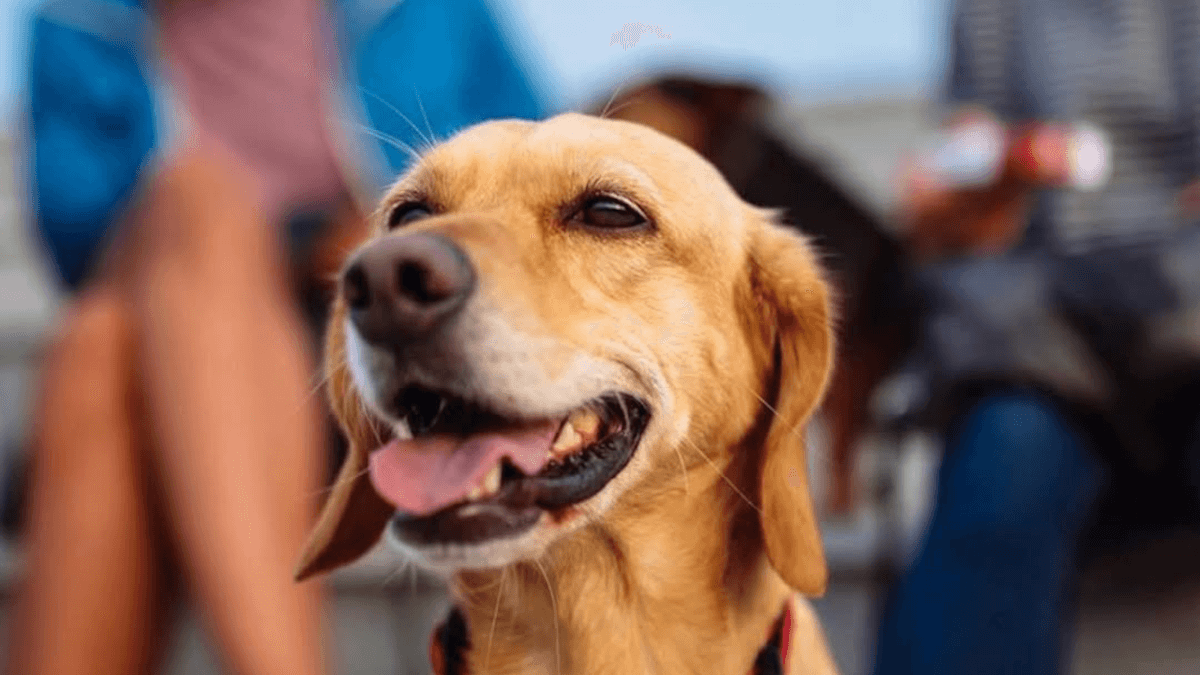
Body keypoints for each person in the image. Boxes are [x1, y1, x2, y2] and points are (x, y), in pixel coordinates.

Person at [7, 0, 547, 673]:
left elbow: (535, 188)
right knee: (186, 213)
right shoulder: (83, 19)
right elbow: (77, 243)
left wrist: (392, 234)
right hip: (183, 320)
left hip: (364, 335)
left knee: (94, 348)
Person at [872, 0, 1200, 673]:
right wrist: (979, 175)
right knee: (1000, 477)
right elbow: (970, 182)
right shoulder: (991, 12)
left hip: (1181, 321)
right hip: (1046, 351)